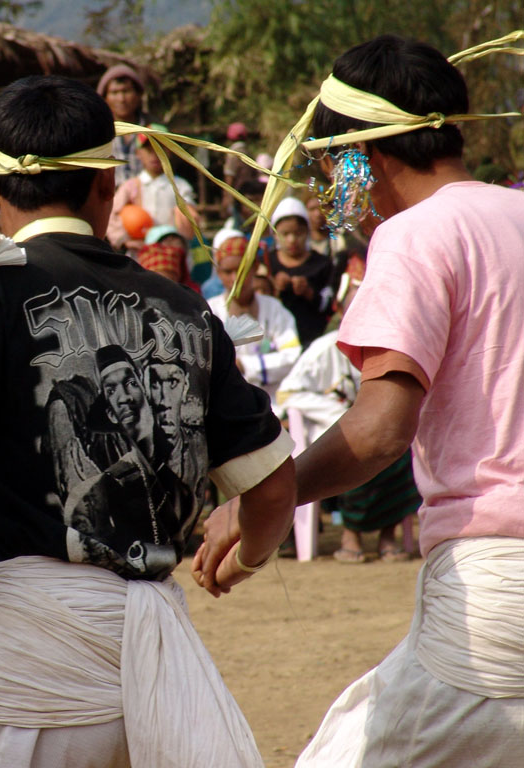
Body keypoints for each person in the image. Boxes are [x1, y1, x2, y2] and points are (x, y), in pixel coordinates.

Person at [0, 74, 296, 767]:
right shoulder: (183, 307)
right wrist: (243, 557)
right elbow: (273, 487)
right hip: (159, 653)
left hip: (36, 653)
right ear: (106, 187)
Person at [203, 34, 524, 767]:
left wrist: (269, 497)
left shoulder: (414, 234)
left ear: (370, 155)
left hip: (497, 587)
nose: (327, 185)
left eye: (331, 161)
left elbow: (379, 428)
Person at [276, 255, 419, 563]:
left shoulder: (388, 348)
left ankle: (387, 537)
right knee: (355, 449)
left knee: (395, 452)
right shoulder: (325, 348)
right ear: (341, 311)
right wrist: (338, 414)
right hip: (333, 430)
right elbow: (289, 392)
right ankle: (350, 535)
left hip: (377, 431)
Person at [206, 230, 301, 415]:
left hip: (275, 405)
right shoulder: (210, 312)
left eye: (242, 269)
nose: (235, 278)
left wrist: (245, 365)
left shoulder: (274, 309)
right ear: (218, 273)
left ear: (255, 267)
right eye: (228, 271)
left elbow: (292, 355)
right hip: (225, 408)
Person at [106, 127, 198, 256]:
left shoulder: (181, 186)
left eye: (160, 149)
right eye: (149, 150)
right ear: (138, 153)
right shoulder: (131, 186)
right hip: (140, 256)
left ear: (169, 151)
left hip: (173, 255)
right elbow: (111, 214)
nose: (155, 155)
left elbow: (190, 216)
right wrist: (124, 240)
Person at [266, 196, 333, 346]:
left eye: (298, 233)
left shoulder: (321, 264)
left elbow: (330, 305)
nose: (292, 240)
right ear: (275, 235)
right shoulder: (268, 263)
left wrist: (309, 292)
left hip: (312, 340)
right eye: (285, 234)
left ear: (307, 232)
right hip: (276, 342)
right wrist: (273, 288)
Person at [96, 64, 149, 185]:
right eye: (114, 92)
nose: (121, 99)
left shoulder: (152, 128)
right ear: (104, 98)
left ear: (138, 95)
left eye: (126, 91)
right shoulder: (97, 131)